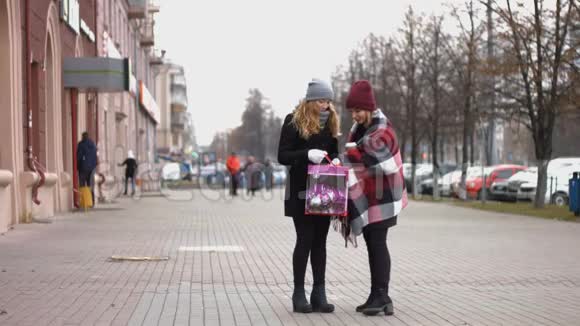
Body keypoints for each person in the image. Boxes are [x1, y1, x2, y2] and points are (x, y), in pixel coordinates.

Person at [343, 80, 408, 316]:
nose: (355, 115)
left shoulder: (383, 130)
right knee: (373, 244)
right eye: (352, 111)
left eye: (358, 110)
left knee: (378, 243)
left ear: (369, 108)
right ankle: (377, 295)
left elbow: (386, 163)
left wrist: (352, 154)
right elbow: (360, 156)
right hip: (371, 196)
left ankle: (382, 295)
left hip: (384, 196)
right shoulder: (359, 129)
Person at [277, 79, 340, 314]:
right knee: (305, 239)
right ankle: (298, 293)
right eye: (322, 101)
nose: (326, 105)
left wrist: (336, 159)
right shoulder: (293, 121)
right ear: (311, 100)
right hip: (300, 191)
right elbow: (282, 155)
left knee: (320, 242)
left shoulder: (331, 121)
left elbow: (334, 149)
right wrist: (307, 154)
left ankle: (319, 292)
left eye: (328, 101)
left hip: (324, 190)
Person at [76, 132, 98, 206]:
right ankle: (91, 202)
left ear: (83, 137)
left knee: (82, 185)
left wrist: (77, 167)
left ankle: (83, 202)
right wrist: (94, 166)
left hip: (83, 168)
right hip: (92, 169)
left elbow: (78, 157)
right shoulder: (93, 145)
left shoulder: (81, 144)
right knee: (90, 185)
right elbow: (95, 157)